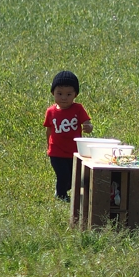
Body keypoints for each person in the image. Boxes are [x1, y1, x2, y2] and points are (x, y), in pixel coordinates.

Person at [45, 71, 93, 202]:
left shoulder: (78, 109)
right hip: (56, 151)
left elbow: (87, 124)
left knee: (73, 177)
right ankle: (61, 196)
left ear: (75, 95)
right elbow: (49, 129)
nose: (64, 98)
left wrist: (89, 127)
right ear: (53, 93)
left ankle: (62, 190)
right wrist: (48, 146)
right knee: (63, 174)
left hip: (74, 151)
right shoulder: (51, 111)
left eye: (68, 94)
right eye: (59, 94)